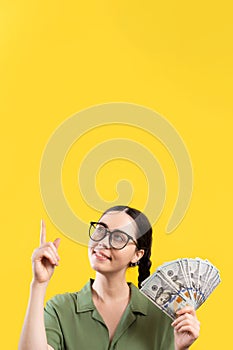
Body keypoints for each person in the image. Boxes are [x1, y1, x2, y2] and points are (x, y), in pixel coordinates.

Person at [19, 206, 200, 350]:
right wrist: (39, 284)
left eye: (119, 237)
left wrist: (179, 348)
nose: (103, 242)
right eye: (100, 231)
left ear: (137, 255)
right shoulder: (61, 309)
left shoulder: (161, 317)